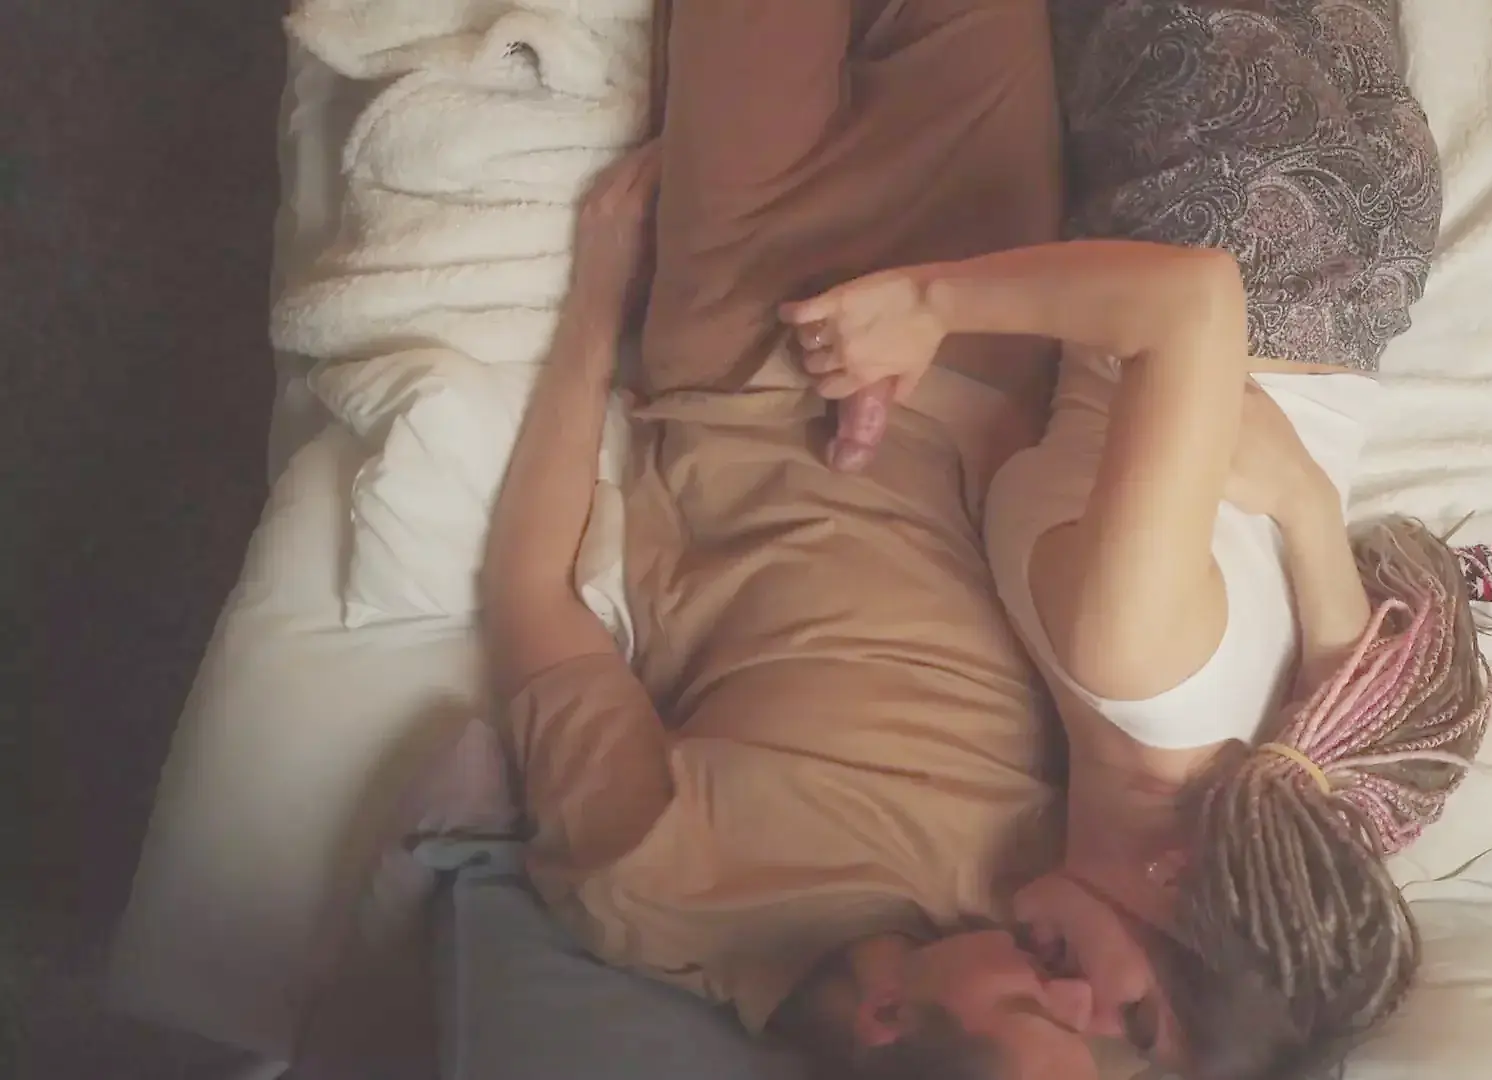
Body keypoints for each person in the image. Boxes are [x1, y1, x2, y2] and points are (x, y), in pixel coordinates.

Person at [777, 3, 1492, 1077]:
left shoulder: (1256, 773)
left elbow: (1383, 703)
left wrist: (1306, 506)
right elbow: (1192, 305)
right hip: (1235, 182)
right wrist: (930, 304)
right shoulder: (1141, 676)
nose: (1080, 1008)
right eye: (1134, 1020)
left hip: (1359, 250)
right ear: (1183, 900)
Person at [476, 1, 1127, 1077]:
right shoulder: (1046, 896)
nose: (1078, 995)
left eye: (1041, 1012)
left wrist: (597, 297)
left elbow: (528, 600)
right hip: (969, 340)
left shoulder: (653, 885)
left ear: (886, 1020)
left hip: (747, 333)